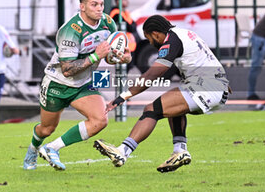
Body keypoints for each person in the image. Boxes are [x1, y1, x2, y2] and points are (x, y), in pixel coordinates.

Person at [93, 15, 230, 173]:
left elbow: (152, 75)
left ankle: (122, 152)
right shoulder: (185, 34)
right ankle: (179, 151)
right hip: (216, 87)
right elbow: (208, 56)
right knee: (172, 107)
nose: (150, 43)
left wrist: (122, 97)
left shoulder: (172, 40)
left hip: (206, 88)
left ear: (156, 34)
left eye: (149, 38)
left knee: (152, 110)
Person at [23, 0, 132, 171]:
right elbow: (67, 69)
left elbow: (108, 56)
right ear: (82, 6)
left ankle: (52, 148)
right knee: (47, 129)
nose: (99, 8)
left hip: (83, 84)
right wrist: (96, 56)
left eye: (101, 4)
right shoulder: (70, 30)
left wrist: (122, 57)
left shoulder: (108, 23)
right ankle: (33, 148)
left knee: (100, 119)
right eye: (93, 4)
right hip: (57, 84)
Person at [109, 0, 140, 71]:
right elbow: (130, 27)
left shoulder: (125, 12)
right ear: (118, 1)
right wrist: (131, 26)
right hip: (121, 47)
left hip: (130, 46)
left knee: (127, 69)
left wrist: (132, 26)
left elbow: (133, 26)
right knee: (121, 70)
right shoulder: (116, 13)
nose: (127, 1)